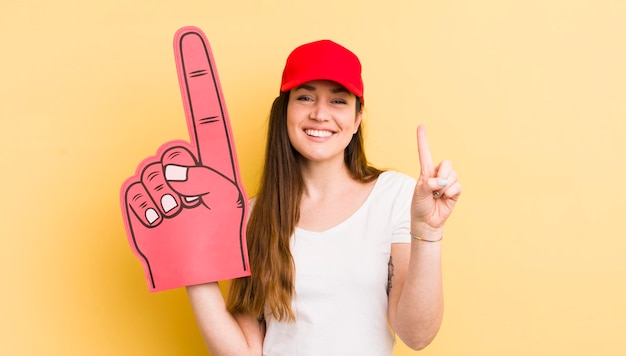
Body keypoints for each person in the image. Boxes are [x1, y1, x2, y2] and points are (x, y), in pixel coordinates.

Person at [185, 39, 461, 355]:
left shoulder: (396, 197)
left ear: (357, 119)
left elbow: (416, 335)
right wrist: (190, 267)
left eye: (338, 101)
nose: (319, 114)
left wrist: (428, 231)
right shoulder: (253, 216)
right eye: (305, 97)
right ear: (284, 112)